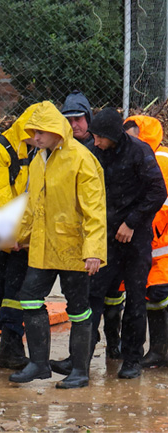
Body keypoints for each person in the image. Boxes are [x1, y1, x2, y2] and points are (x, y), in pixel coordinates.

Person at [55, 108, 166, 380]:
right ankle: (78, 358)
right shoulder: (93, 151)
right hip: (105, 236)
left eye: (100, 137)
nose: (95, 141)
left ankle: (131, 359)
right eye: (93, 136)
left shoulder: (139, 152)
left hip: (135, 237)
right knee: (92, 295)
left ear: (114, 136)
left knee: (136, 299)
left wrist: (131, 222)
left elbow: (158, 191)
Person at [8, 101, 106, 389]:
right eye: (32, 132)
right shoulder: (40, 158)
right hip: (42, 245)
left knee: (78, 308)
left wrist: (94, 251)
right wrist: (21, 234)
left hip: (74, 247)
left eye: (40, 132)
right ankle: (39, 364)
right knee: (29, 297)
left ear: (54, 131)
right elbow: (33, 202)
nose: (35, 137)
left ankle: (80, 370)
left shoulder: (80, 159)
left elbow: (94, 208)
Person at [0, 103, 40, 370]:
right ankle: (8, 345)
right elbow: (0, 196)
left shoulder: (36, 150)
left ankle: (11, 346)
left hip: (20, 236)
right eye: (34, 130)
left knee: (14, 291)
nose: (38, 135)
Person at [123, 115, 168, 369]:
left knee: (159, 294)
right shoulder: (146, 157)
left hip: (159, 242)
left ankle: (160, 350)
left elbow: (160, 203)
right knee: (155, 295)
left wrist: (146, 228)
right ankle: (159, 350)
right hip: (154, 243)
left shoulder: (160, 160)